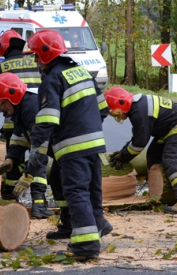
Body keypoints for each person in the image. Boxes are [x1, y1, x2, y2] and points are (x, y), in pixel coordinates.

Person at [27, 29, 111, 261]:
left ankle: (85, 248)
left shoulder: (52, 79)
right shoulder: (83, 72)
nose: (35, 61)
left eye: (35, 56)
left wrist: (36, 148)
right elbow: (103, 109)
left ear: (45, 55)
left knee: (76, 192)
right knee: (93, 192)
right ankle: (95, 232)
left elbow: (48, 119)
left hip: (73, 147)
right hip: (95, 144)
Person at [105, 86, 177, 214]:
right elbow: (138, 136)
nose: (117, 116)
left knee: (172, 159)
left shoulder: (138, 112)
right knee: (153, 154)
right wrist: (124, 151)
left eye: (116, 113)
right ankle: (159, 195)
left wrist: (123, 157)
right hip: (167, 128)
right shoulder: (136, 107)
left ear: (122, 103)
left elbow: (139, 144)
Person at [0, 30, 45, 202]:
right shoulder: (35, 62)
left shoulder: (2, 68)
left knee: (14, 159)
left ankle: (11, 197)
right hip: (40, 114)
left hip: (13, 120)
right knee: (39, 154)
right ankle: (39, 199)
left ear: (2, 49)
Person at [0, 73, 53, 219]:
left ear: (13, 97)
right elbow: (19, 138)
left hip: (60, 144)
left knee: (49, 168)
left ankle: (42, 207)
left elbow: (40, 145)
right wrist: (11, 158)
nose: (3, 108)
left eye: (3, 103)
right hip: (49, 143)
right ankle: (42, 208)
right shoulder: (20, 108)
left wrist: (28, 175)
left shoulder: (31, 107)